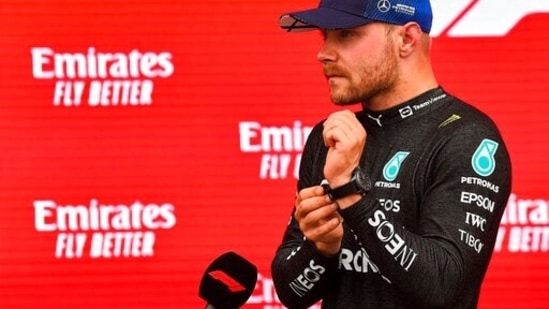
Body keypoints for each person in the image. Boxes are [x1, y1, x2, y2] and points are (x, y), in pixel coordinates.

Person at [270, 0, 512, 308]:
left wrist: (350, 191)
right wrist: (322, 249)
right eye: (324, 36)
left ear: (407, 39)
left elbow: (443, 287)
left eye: (345, 34)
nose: (324, 53)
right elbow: (291, 293)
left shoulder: (466, 137)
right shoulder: (330, 137)